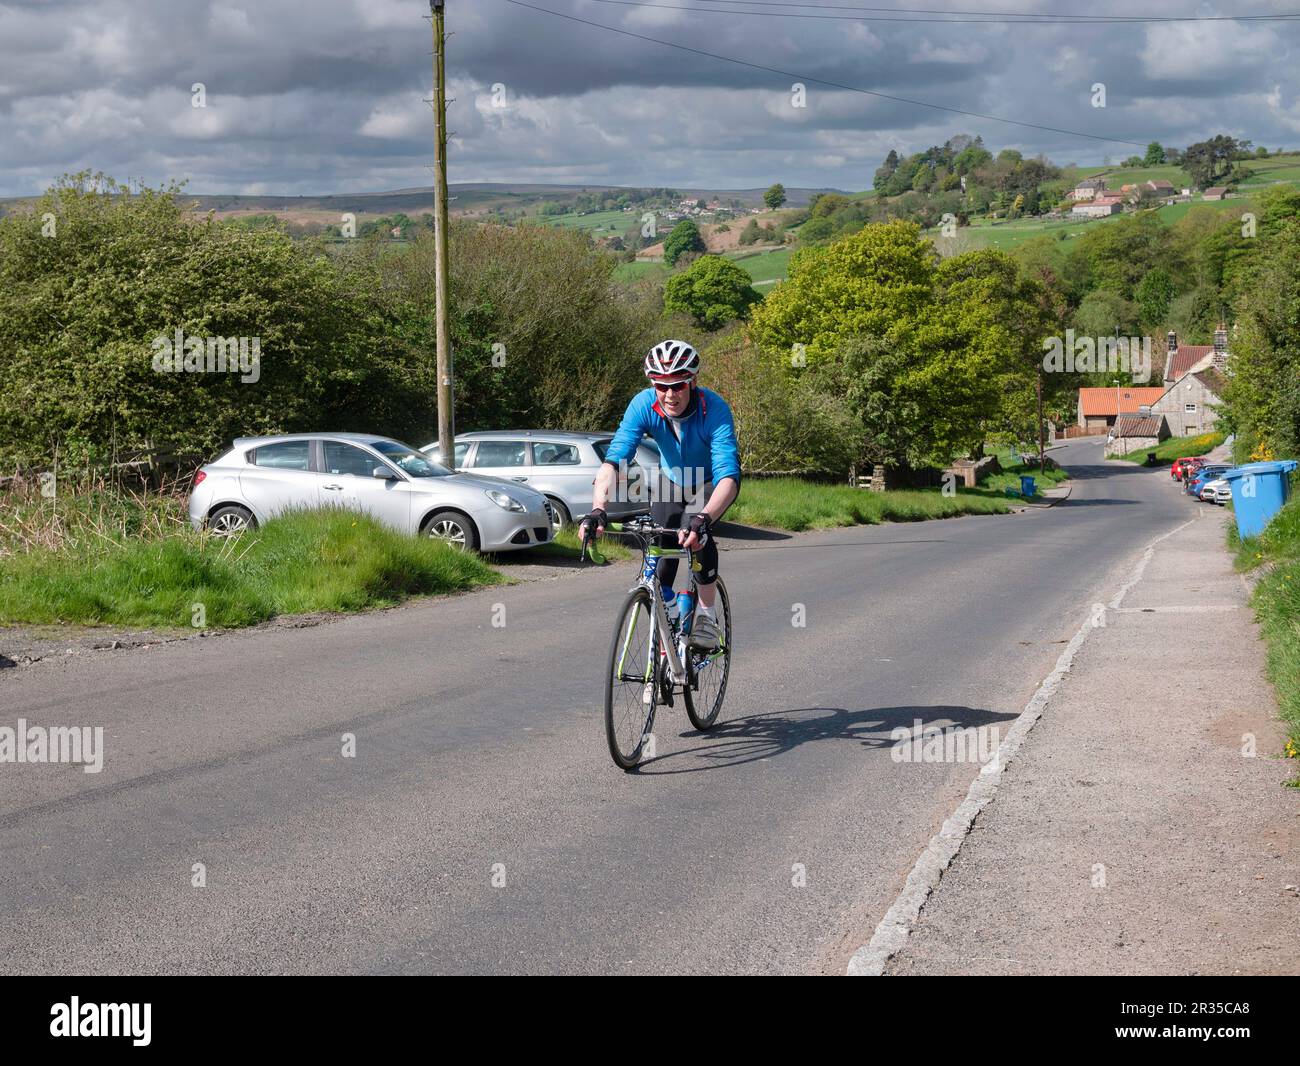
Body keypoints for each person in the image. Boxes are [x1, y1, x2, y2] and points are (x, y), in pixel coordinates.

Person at [581, 340, 740, 650]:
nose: (670, 394)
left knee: (695, 533)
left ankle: (707, 617)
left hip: (709, 482)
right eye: (661, 386)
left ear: (692, 381)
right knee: (661, 548)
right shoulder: (642, 404)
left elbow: (728, 477)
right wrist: (598, 509)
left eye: (678, 385)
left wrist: (704, 518)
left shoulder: (714, 409)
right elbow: (615, 460)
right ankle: (668, 623)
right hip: (670, 482)